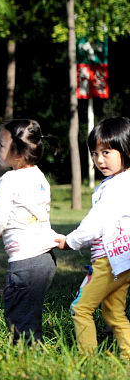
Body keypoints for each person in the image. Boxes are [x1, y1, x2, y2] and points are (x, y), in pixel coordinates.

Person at [0, 119, 57, 345]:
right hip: (46, 259)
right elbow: (27, 213)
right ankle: (28, 355)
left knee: (18, 317)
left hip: (25, 262)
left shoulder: (10, 179)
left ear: (18, 152)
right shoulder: (40, 178)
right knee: (29, 313)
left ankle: (27, 361)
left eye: (2, 144)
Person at [56, 117, 130, 354]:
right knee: (114, 312)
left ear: (126, 148)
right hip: (123, 261)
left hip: (109, 261)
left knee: (81, 308)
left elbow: (95, 224)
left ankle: (86, 361)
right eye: (94, 153)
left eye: (106, 152)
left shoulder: (116, 187)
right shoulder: (122, 182)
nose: (99, 160)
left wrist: (70, 241)